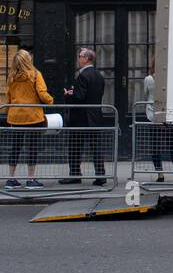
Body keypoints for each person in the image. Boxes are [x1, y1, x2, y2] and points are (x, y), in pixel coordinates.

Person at [4, 49, 53, 190]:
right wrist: (51, 101)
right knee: (32, 147)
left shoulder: (11, 76)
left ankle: (11, 180)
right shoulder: (36, 75)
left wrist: (9, 109)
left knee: (15, 147)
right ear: (28, 59)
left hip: (15, 116)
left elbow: (8, 96)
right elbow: (42, 94)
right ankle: (31, 180)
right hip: (33, 117)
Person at [61, 47, 107, 186]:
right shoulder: (99, 75)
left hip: (80, 117)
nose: (78, 58)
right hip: (95, 116)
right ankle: (101, 175)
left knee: (75, 146)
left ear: (86, 59)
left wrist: (69, 95)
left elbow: (79, 97)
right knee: (95, 147)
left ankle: (75, 174)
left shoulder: (82, 75)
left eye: (80, 56)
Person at [143, 59, 173, 184]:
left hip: (153, 117)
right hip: (168, 117)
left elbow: (146, 94)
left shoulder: (149, 79)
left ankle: (160, 175)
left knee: (155, 147)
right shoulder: (170, 79)